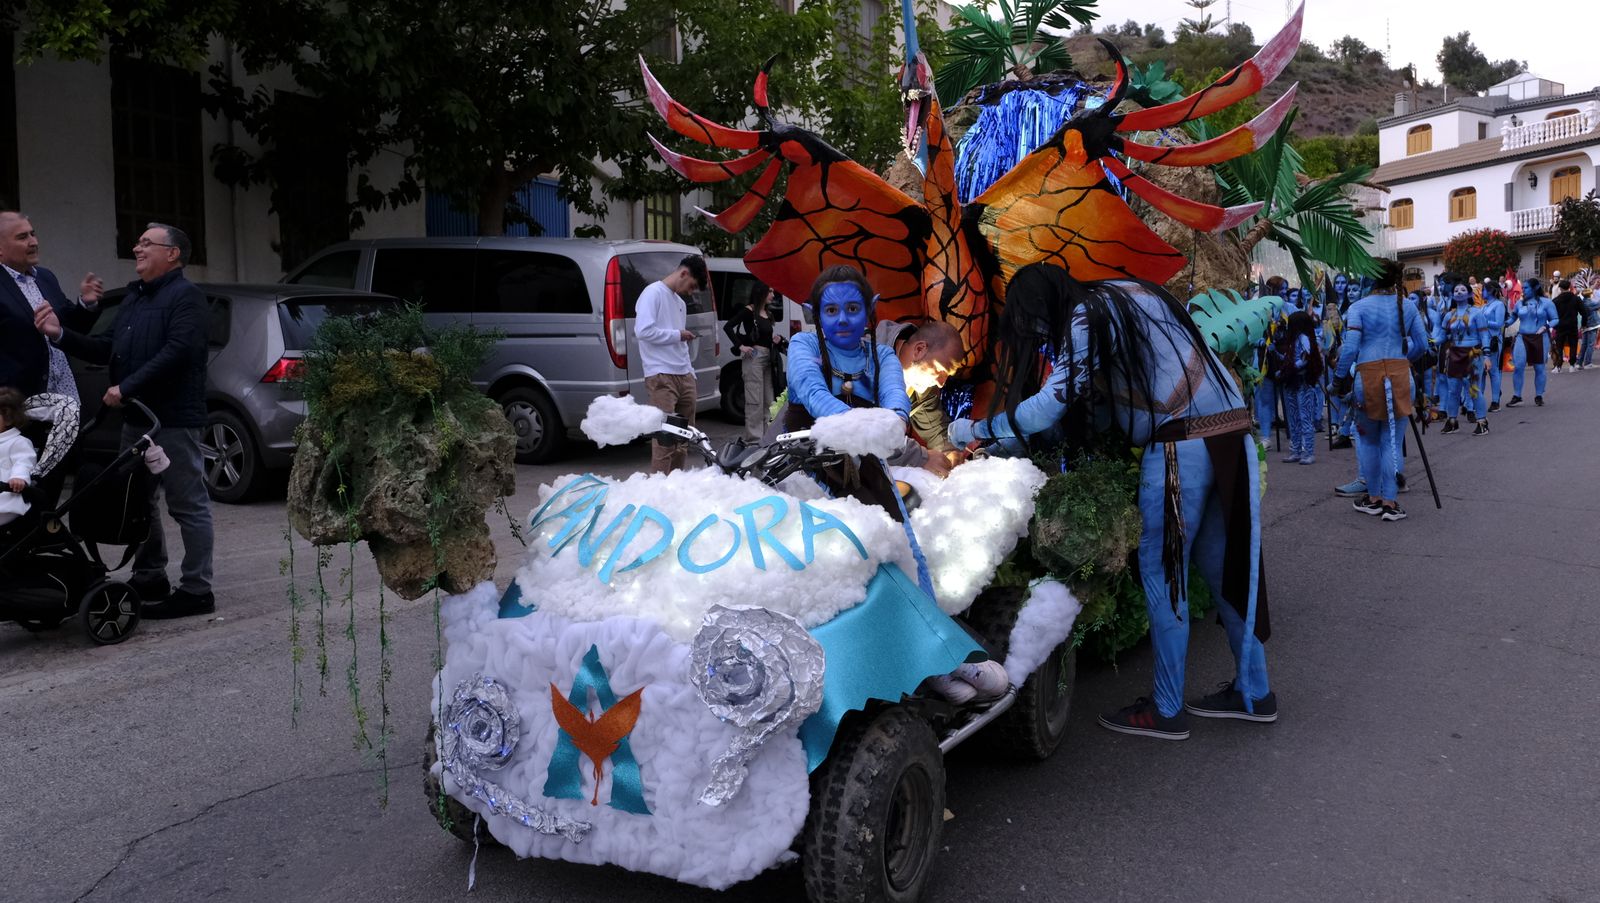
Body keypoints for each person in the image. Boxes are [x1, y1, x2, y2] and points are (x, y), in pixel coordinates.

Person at [949, 264, 1273, 740]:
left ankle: (1166, 710)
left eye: (1034, 325)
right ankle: (1255, 692)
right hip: (1230, 437)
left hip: (1180, 447)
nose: (1039, 336)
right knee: (1223, 569)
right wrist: (1005, 445)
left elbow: (1048, 406)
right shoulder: (1128, 293)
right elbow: (1095, 412)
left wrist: (975, 431)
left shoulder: (1086, 315)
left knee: (1164, 577)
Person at [34, 222, 215, 618]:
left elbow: (179, 351)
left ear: (173, 254)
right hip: (137, 421)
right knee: (139, 502)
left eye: (147, 243)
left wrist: (127, 386)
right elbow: (107, 348)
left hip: (172, 419)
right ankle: (151, 576)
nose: (137, 248)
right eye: (137, 242)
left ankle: (198, 589)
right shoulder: (135, 298)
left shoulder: (187, 297)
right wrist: (59, 334)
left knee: (187, 505)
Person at [1332, 259, 1429, 522]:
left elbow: (1350, 349)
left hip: (1368, 376)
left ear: (1370, 278)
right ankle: (1390, 501)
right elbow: (1423, 344)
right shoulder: (1408, 306)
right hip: (1400, 374)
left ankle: (1374, 498)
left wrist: (1339, 380)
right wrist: (1404, 361)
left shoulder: (1358, 307)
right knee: (1391, 441)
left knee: (1367, 439)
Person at [0, 211, 101, 399]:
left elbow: (71, 327)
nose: (33, 242)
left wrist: (86, 304)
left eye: (33, 234)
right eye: (22, 237)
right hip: (17, 404)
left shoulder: (46, 277)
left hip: (63, 397)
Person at [636, 254, 708, 474]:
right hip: (660, 374)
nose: (691, 291)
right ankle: (658, 493)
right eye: (692, 285)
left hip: (684, 373)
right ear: (683, 273)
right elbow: (643, 331)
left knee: (683, 440)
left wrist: (690, 372)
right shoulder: (652, 293)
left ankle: (676, 489)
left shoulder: (679, 303)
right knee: (665, 440)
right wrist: (677, 335)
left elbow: (680, 341)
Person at [875, 318, 964, 474]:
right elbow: (863, 430)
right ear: (919, 350)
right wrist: (920, 458)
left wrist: (950, 452)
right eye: (940, 371)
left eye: (946, 376)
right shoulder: (863, 362)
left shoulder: (921, 386)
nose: (941, 383)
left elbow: (934, 427)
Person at [722, 280, 786, 440]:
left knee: (769, 400)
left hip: (768, 358)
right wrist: (741, 346)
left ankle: (768, 438)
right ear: (761, 292)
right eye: (770, 291)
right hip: (754, 357)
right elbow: (728, 327)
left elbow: (765, 336)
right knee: (754, 400)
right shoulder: (749, 311)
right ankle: (754, 440)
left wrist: (775, 339)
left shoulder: (768, 313)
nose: (773, 295)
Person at [1433, 284, 1491, 436]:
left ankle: (1482, 422)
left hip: (1473, 353)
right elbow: (1442, 336)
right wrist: (1430, 341)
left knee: (1474, 390)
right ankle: (1452, 422)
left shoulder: (1477, 313)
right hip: (1454, 353)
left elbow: (1485, 335)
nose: (1459, 292)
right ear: (1452, 295)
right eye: (1456, 290)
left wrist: (1487, 356)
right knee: (1453, 390)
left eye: (1463, 290)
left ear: (1470, 294)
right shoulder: (1448, 316)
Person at [1277, 310, 1322, 464]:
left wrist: (1288, 369)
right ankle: (1296, 450)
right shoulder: (1294, 340)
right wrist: (1276, 355)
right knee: (1293, 418)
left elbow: (1305, 359)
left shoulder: (1304, 339)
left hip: (1302, 382)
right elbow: (1290, 359)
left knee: (1304, 418)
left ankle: (1308, 452)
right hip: (1292, 382)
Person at [1507, 278, 1557, 407]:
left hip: (1540, 337)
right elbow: (1513, 317)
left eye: (1526, 288)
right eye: (1522, 288)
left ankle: (1539, 395)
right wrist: (1504, 323)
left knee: (1539, 367)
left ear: (1535, 288)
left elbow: (1555, 319)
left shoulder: (1546, 303)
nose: (1523, 290)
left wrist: (1546, 326)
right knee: (1518, 366)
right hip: (1522, 336)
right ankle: (1517, 396)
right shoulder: (1519, 303)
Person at [0, 387, 36, 528]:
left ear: (8, 419)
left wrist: (18, 477)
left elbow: (24, 461)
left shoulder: (18, 442)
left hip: (6, 500)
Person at [1480, 278, 1507, 410]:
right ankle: (1479, 400)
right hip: (1482, 341)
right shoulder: (1484, 306)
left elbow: (1499, 323)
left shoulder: (1499, 305)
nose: (1482, 292)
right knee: (1482, 372)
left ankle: (1495, 400)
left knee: (1493, 371)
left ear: (1491, 291)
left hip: (1494, 340)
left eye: (1484, 289)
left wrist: (1484, 321)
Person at [1551, 279, 1583, 374]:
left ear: (1560, 288)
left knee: (1559, 346)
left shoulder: (1555, 301)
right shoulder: (1576, 299)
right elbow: (1583, 312)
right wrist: (1583, 323)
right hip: (1572, 325)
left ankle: (1558, 366)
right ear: (1569, 288)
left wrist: (1554, 326)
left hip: (1560, 325)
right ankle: (1572, 365)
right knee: (1573, 345)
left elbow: (1552, 315)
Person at [1578, 289, 1599, 370]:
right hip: (1591, 325)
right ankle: (1588, 363)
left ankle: (1579, 363)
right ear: (1590, 295)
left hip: (1585, 325)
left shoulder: (1583, 302)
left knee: (1584, 345)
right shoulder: (1590, 302)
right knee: (1590, 344)